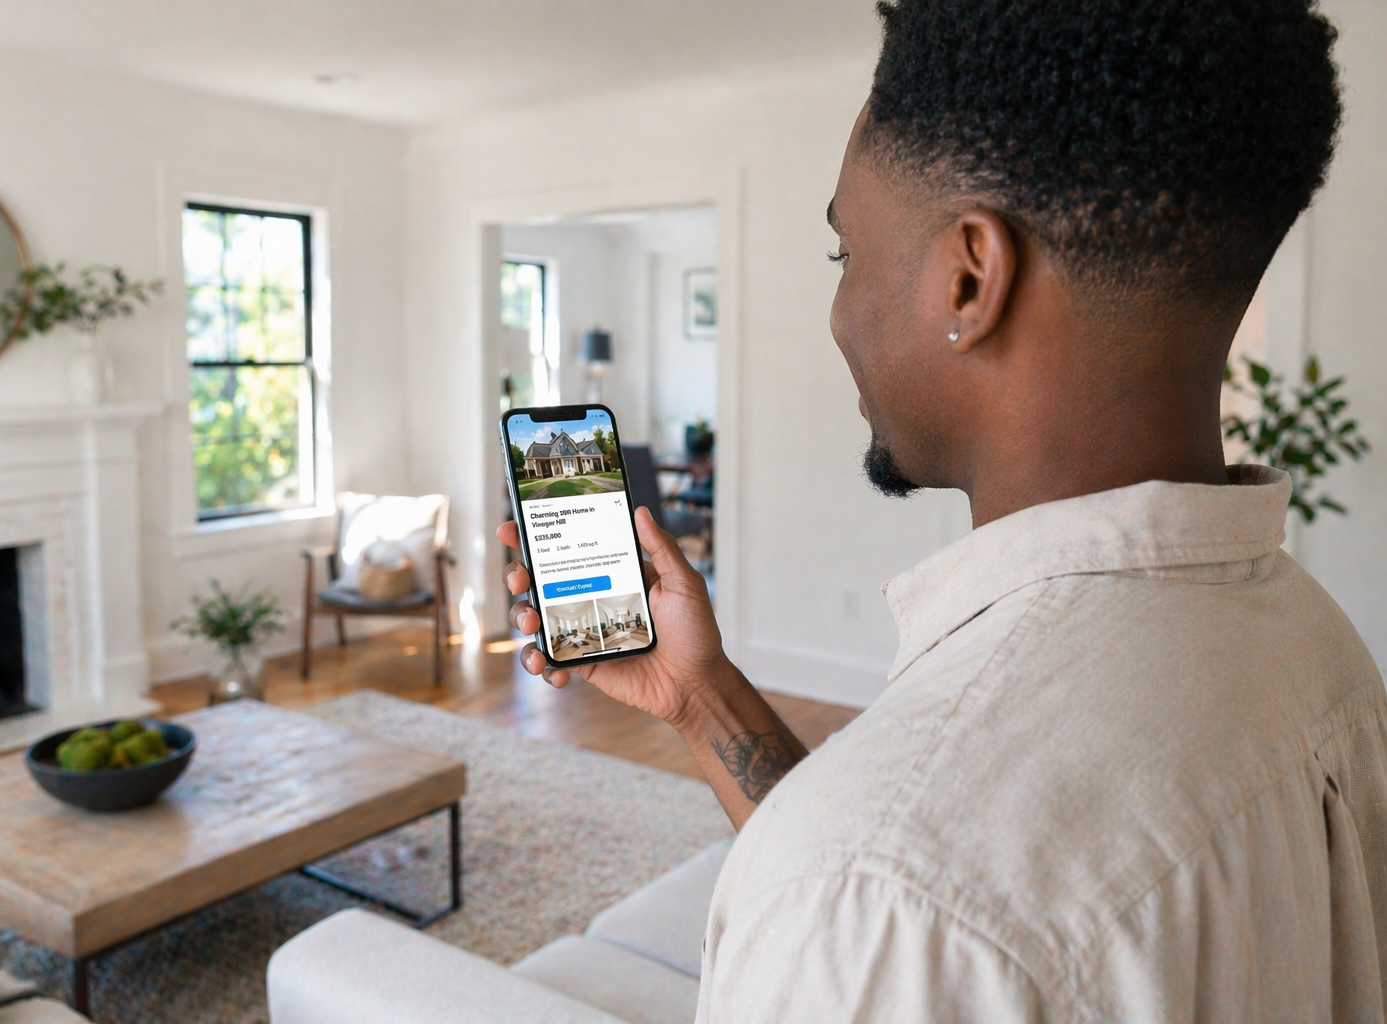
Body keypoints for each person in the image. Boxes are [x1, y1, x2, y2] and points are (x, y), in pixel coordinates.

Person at [500, 0, 1385, 1018]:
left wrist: (847, 865)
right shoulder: (1324, 659)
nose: (839, 312)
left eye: (848, 255)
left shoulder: (873, 898)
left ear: (970, 276)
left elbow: (887, 880)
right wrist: (704, 698)